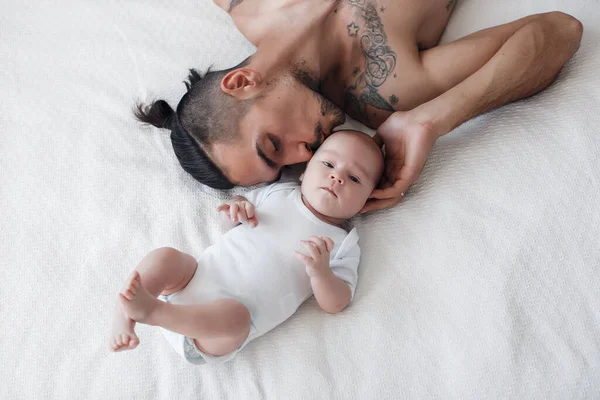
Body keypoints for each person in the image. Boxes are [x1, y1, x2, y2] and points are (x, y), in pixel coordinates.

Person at [135, 0, 583, 212]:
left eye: (273, 145)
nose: (305, 157)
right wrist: (434, 119)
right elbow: (559, 31)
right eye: (286, 167)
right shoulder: (386, 90)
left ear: (241, 82)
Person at [109, 130, 384, 364]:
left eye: (355, 179)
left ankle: (155, 313)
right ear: (304, 171)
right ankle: (125, 316)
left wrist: (321, 273)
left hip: (210, 333)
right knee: (166, 257)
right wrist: (236, 210)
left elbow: (337, 302)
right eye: (328, 164)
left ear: (367, 200)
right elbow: (228, 219)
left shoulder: (342, 243)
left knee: (237, 318)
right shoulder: (278, 192)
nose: (337, 178)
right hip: (190, 281)